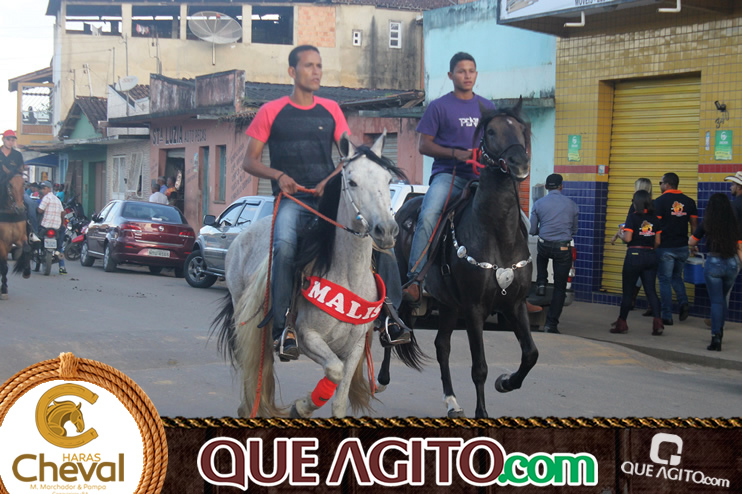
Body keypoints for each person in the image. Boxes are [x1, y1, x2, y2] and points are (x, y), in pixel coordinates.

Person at [242, 44, 410, 360]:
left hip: (326, 199)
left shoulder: (331, 109)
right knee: (285, 248)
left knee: (377, 241)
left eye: (319, 66)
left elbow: (348, 156)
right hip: (292, 200)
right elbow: (249, 161)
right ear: (292, 72)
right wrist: (278, 175)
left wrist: (328, 180)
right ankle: (283, 329)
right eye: (309, 66)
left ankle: (391, 318)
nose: (316, 71)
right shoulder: (271, 111)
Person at [402, 52, 497, 304]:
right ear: (450, 75)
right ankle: (415, 279)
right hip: (449, 175)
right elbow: (424, 145)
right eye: (462, 71)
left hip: (483, 178)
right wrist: (456, 153)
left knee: (515, 218)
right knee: (428, 216)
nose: (467, 75)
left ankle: (517, 288)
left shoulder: (488, 107)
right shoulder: (439, 106)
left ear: (476, 74)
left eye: (471, 71)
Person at [689, 193, 742, 351]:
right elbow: (739, 245)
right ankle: (720, 329)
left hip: (714, 263)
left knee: (717, 301)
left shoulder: (708, 222)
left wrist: (693, 245)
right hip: (732, 263)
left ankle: (716, 337)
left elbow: (692, 241)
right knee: (723, 299)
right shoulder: (734, 223)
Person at [529, 173, 579, 334]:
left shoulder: (539, 204)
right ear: (561, 186)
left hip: (545, 245)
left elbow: (532, 230)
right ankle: (551, 324)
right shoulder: (572, 205)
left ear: (546, 187)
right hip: (563, 248)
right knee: (559, 288)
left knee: (541, 255)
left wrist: (542, 231)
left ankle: (541, 282)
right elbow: (574, 230)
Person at [610, 190, 663, 335]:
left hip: (634, 255)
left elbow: (627, 238)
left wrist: (620, 235)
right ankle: (658, 323)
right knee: (651, 291)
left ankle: (622, 323)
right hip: (651, 255)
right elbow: (658, 242)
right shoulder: (655, 218)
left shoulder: (632, 217)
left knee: (628, 292)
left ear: (636, 202)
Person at [652, 173, 697, 325]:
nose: (660, 186)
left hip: (665, 247)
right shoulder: (689, 201)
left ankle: (667, 315)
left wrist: (653, 245)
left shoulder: (659, 202)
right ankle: (683, 302)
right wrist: (693, 245)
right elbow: (694, 225)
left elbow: (655, 227)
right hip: (683, 247)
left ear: (667, 184)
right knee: (676, 277)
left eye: (661, 183)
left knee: (664, 280)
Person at [611, 178, 653, 309]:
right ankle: (652, 306)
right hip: (651, 246)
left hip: (636, 247)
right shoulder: (654, 205)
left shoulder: (634, 206)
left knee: (633, 275)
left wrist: (618, 235)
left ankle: (630, 301)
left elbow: (629, 226)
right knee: (649, 277)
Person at [0, 129, 40, 242]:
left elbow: (20, 168)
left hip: (15, 185)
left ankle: (33, 232)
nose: (10, 142)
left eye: (13, 140)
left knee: (30, 204)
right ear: (3, 140)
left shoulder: (17, 155)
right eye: (8, 139)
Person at [37, 180, 67, 275]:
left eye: (44, 188)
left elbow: (40, 211)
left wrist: (37, 208)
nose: (42, 190)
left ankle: (37, 252)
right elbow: (63, 213)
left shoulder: (46, 198)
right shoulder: (57, 199)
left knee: (36, 238)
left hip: (45, 226)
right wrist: (62, 224)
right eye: (42, 189)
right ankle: (62, 267)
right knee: (60, 246)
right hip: (57, 227)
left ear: (49, 189)